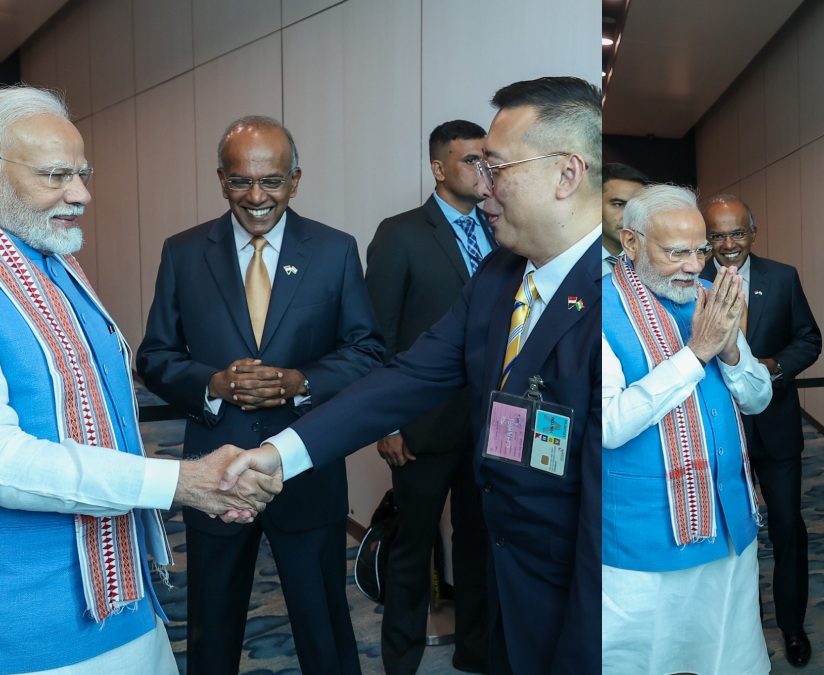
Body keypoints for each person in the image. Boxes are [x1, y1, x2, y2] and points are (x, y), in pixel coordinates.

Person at [219, 76, 603, 675]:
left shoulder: (614, 299)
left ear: (566, 174)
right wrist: (279, 454)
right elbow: (405, 379)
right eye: (478, 167)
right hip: (506, 571)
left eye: (496, 167)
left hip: (576, 591)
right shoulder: (499, 277)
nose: (483, 185)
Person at [0, 84, 280, 674]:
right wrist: (180, 482)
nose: (81, 194)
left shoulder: (51, 260)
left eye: (81, 173)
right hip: (33, 621)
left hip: (121, 589)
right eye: (55, 176)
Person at [136, 116, 384, 675]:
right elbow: (154, 356)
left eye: (271, 181)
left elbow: (367, 351)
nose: (256, 197)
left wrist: (302, 382)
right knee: (211, 627)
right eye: (240, 181)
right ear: (220, 179)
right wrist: (212, 385)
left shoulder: (335, 250)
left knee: (324, 629)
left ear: (295, 180)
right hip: (214, 473)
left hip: (306, 467)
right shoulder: (183, 252)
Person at [602, 184, 772, 674]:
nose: (694, 266)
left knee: (726, 655)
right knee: (644, 658)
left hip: (726, 520)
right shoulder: (596, 308)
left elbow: (757, 398)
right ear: (631, 243)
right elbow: (608, 424)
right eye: (676, 252)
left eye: (701, 251)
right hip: (643, 532)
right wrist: (696, 353)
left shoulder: (707, 297)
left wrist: (730, 350)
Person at [364, 119, 492, 674]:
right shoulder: (400, 234)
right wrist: (386, 423)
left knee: (480, 543)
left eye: (488, 160)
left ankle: (476, 653)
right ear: (439, 168)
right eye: (471, 160)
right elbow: (378, 338)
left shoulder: (500, 229)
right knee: (412, 548)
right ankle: (401, 662)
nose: (484, 170)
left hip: (490, 423)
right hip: (421, 425)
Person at [699, 193, 822, 667]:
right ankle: (741, 625)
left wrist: (772, 368)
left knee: (787, 526)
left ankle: (792, 626)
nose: (728, 244)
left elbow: (809, 339)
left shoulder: (782, 277)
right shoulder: (689, 279)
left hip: (775, 427)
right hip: (717, 431)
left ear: (753, 232)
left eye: (737, 233)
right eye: (717, 236)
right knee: (729, 532)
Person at [601, 162, 648, 275]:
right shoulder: (570, 260)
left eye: (637, 207)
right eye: (619, 204)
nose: (629, 215)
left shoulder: (655, 263)